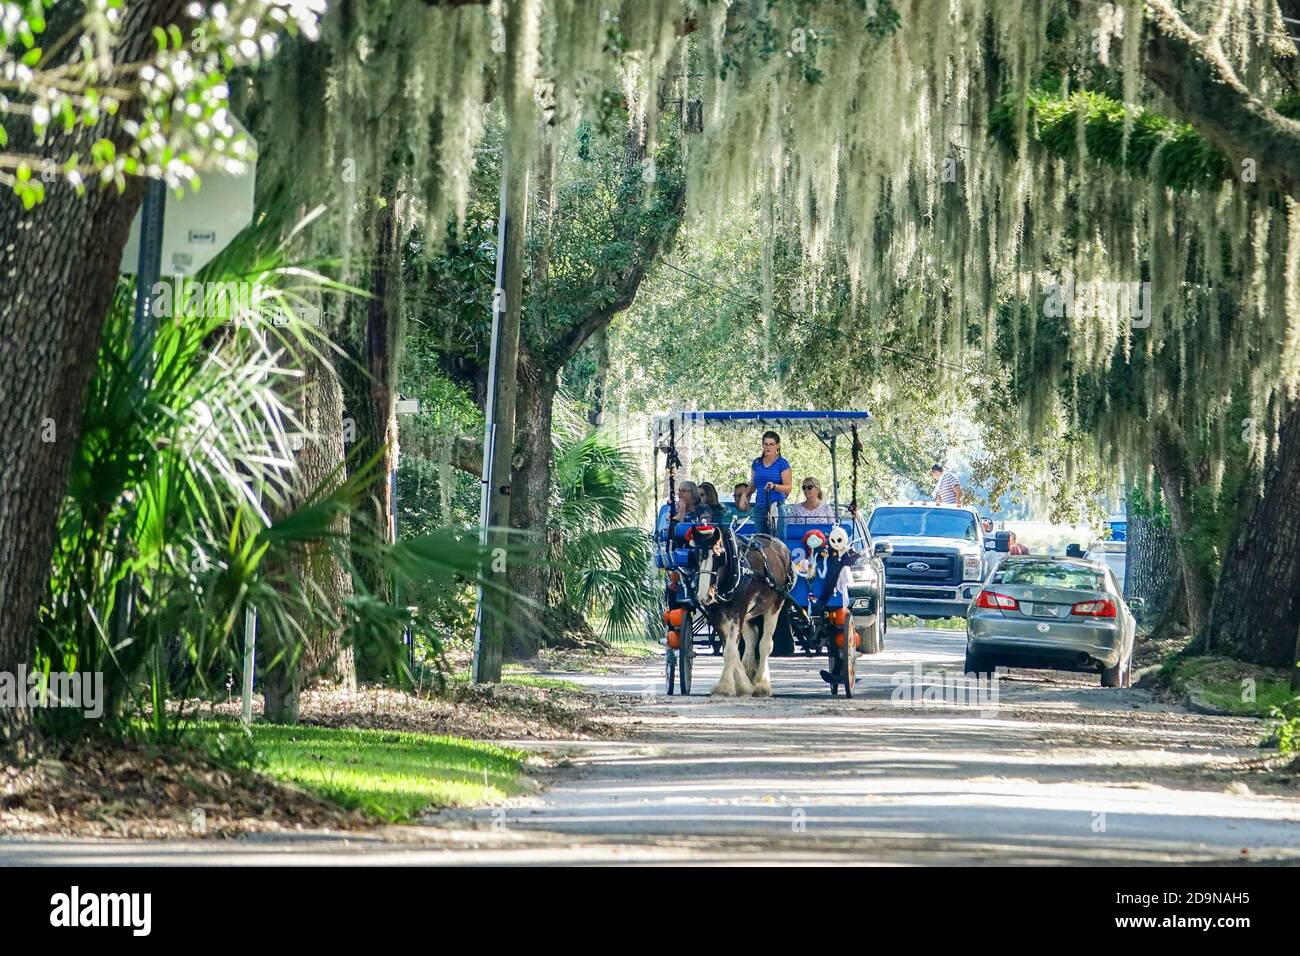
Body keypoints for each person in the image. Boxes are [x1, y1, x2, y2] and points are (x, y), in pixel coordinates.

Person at [747, 431, 792, 534]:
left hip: (777, 505)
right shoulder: (757, 463)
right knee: (760, 537)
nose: (768, 447)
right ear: (763, 445)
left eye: (771, 444)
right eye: (766, 444)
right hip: (760, 505)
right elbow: (753, 483)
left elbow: (788, 487)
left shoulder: (782, 463)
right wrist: (746, 495)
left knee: (778, 539)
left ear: (778, 446)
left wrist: (775, 486)